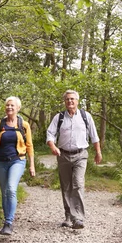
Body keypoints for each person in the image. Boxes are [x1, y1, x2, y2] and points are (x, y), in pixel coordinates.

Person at [46, 90, 102, 229]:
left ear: (77, 101)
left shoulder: (85, 116)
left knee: (78, 184)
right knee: (66, 186)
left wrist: (98, 152)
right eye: (67, 99)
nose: (70, 101)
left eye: (72, 99)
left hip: (80, 155)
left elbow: (94, 136)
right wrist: (52, 146)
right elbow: (50, 134)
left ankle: (78, 218)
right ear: (64, 102)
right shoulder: (59, 117)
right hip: (63, 155)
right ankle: (68, 217)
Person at [0, 96, 35, 235]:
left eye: (12, 106)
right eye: (7, 105)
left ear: (18, 108)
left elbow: (29, 146)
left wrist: (32, 165)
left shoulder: (24, 125)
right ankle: (7, 220)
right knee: (5, 192)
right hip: (0, 162)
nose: (9, 108)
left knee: (11, 189)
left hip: (17, 161)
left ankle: (9, 222)